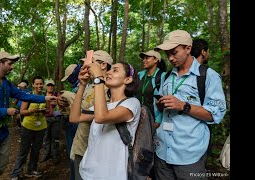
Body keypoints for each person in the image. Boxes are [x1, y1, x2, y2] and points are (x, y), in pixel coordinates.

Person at [0, 51, 57, 180]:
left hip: (2, 131)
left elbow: (22, 95)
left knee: (1, 166)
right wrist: (5, 111)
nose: (12, 67)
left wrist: (45, 98)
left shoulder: (6, 83)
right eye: (10, 63)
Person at [153, 30, 227, 180]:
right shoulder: (166, 77)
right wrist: (161, 105)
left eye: (174, 52)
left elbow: (216, 114)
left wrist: (184, 106)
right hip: (162, 151)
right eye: (167, 54)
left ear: (188, 48)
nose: (170, 58)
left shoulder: (208, 76)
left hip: (189, 155)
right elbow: (159, 112)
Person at [69, 59, 141, 180]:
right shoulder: (105, 106)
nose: (108, 72)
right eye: (110, 69)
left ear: (127, 79)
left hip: (111, 175)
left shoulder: (132, 103)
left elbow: (101, 117)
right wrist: (82, 85)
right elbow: (75, 117)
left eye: (115, 70)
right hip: (86, 171)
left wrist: (98, 77)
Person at [60, 50, 112, 180]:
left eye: (90, 62)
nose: (86, 66)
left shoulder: (110, 88)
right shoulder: (89, 87)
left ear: (103, 65)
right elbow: (74, 115)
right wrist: (64, 105)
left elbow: (98, 114)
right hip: (81, 145)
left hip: (95, 150)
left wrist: (68, 95)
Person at [10, 76, 48, 180]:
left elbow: (48, 111)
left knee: (36, 150)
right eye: (37, 84)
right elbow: (21, 112)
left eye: (41, 84)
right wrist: (32, 111)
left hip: (41, 127)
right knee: (24, 150)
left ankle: (31, 170)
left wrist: (45, 111)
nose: (39, 86)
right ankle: (16, 173)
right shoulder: (28, 96)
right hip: (28, 127)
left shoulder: (44, 96)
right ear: (33, 85)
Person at [59, 63, 81, 180]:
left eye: (69, 78)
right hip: (71, 124)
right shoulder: (74, 88)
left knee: (75, 155)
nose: (68, 81)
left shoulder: (83, 87)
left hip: (77, 125)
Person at [137, 50, 167, 129]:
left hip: (154, 121)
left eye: (147, 58)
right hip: (138, 118)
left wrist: (158, 121)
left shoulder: (163, 76)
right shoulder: (139, 75)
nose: (144, 60)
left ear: (156, 60)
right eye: (143, 58)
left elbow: (163, 100)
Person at [40, 78, 62, 164]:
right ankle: (46, 154)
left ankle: (55, 155)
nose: (50, 87)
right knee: (46, 137)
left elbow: (62, 105)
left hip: (56, 119)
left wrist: (57, 103)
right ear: (46, 86)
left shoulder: (57, 94)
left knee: (55, 138)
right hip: (45, 119)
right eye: (48, 85)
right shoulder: (42, 95)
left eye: (51, 85)